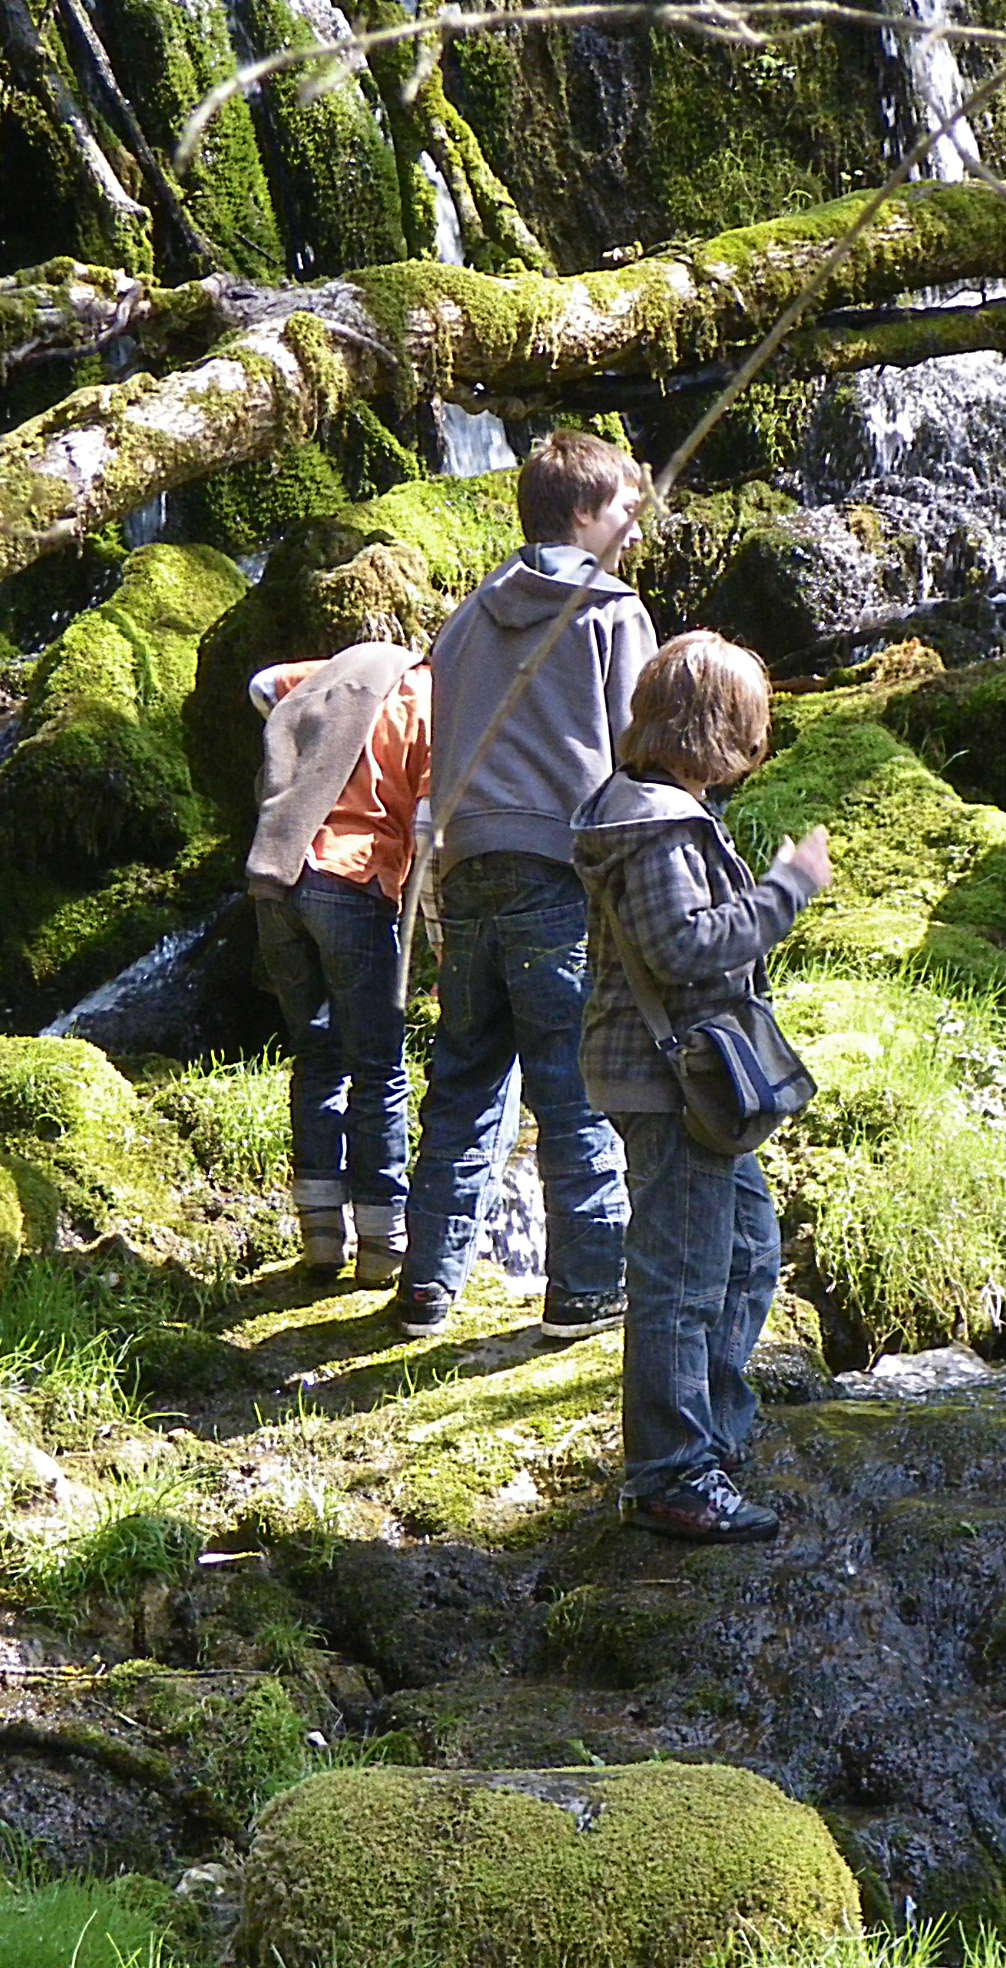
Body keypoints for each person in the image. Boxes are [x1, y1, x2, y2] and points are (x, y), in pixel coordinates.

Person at [393, 432, 659, 1340]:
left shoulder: (463, 620)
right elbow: (641, 757)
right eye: (625, 503)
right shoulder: (610, 613)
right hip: (557, 870)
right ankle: (586, 1288)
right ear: (583, 512)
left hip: (464, 874)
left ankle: (427, 1285)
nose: (635, 518)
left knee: (464, 1076)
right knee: (570, 1081)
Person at [574, 633, 830, 1543]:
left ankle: (710, 1435)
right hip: (668, 1079)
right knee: (680, 1282)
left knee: (751, 1254)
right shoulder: (653, 824)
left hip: (684, 1077)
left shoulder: (655, 809)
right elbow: (684, 949)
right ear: (722, 727)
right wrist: (787, 888)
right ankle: (673, 1473)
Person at [246, 642, 433, 1284]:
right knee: (379, 1067)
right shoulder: (430, 696)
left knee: (317, 1057)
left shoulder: (347, 672)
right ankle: (383, 1244)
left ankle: (321, 1237)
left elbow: (264, 684)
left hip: (278, 874)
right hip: (350, 879)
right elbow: (435, 819)